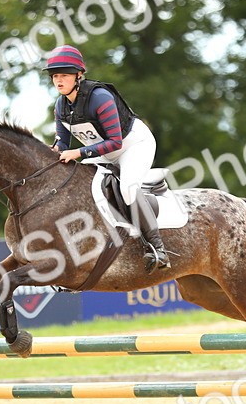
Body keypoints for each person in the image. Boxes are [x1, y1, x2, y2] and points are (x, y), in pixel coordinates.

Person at [45, 44, 170, 272]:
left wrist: (78, 153)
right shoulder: (60, 106)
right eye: (55, 76)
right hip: (102, 152)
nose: (58, 81)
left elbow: (115, 142)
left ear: (79, 75)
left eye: (64, 75)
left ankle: (157, 248)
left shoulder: (99, 97)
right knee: (76, 184)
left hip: (133, 146)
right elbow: (62, 144)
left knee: (128, 188)